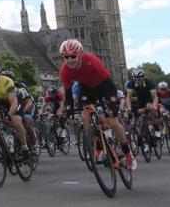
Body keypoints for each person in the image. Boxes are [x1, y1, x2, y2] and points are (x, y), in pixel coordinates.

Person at [58, 39, 136, 170]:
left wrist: (111, 101)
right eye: (66, 57)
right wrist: (69, 113)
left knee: (112, 122)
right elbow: (68, 95)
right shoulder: (64, 71)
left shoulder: (90, 59)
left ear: (80, 54)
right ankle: (98, 145)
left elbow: (108, 81)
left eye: (73, 56)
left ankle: (128, 153)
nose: (70, 60)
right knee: (86, 117)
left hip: (103, 86)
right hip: (87, 90)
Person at [124, 68, 160, 138]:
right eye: (135, 79)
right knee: (139, 117)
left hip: (148, 98)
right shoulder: (131, 83)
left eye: (139, 79)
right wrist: (129, 107)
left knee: (150, 111)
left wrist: (154, 106)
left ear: (143, 78)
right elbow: (128, 97)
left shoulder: (149, 83)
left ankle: (157, 130)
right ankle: (143, 137)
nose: (137, 81)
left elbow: (155, 97)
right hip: (140, 99)